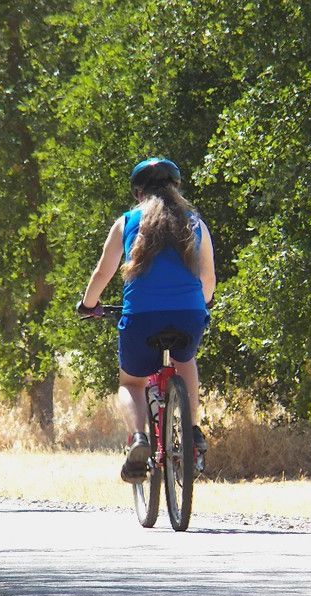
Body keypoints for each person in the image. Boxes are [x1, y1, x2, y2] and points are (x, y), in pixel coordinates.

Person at [78, 158, 216, 482]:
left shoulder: (126, 222)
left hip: (141, 317)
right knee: (187, 359)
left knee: (131, 382)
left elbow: (103, 272)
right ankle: (193, 430)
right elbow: (208, 277)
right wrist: (201, 302)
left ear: (139, 193)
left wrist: (88, 304)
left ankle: (138, 438)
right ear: (175, 189)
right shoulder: (195, 222)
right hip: (189, 314)